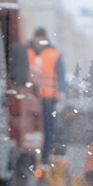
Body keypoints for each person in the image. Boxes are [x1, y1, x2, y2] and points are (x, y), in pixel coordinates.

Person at [27, 27, 66, 163]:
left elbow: (61, 73)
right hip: (30, 97)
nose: (39, 41)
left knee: (48, 127)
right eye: (37, 38)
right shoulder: (27, 51)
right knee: (30, 127)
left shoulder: (53, 53)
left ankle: (45, 155)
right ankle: (33, 155)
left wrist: (61, 90)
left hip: (48, 97)